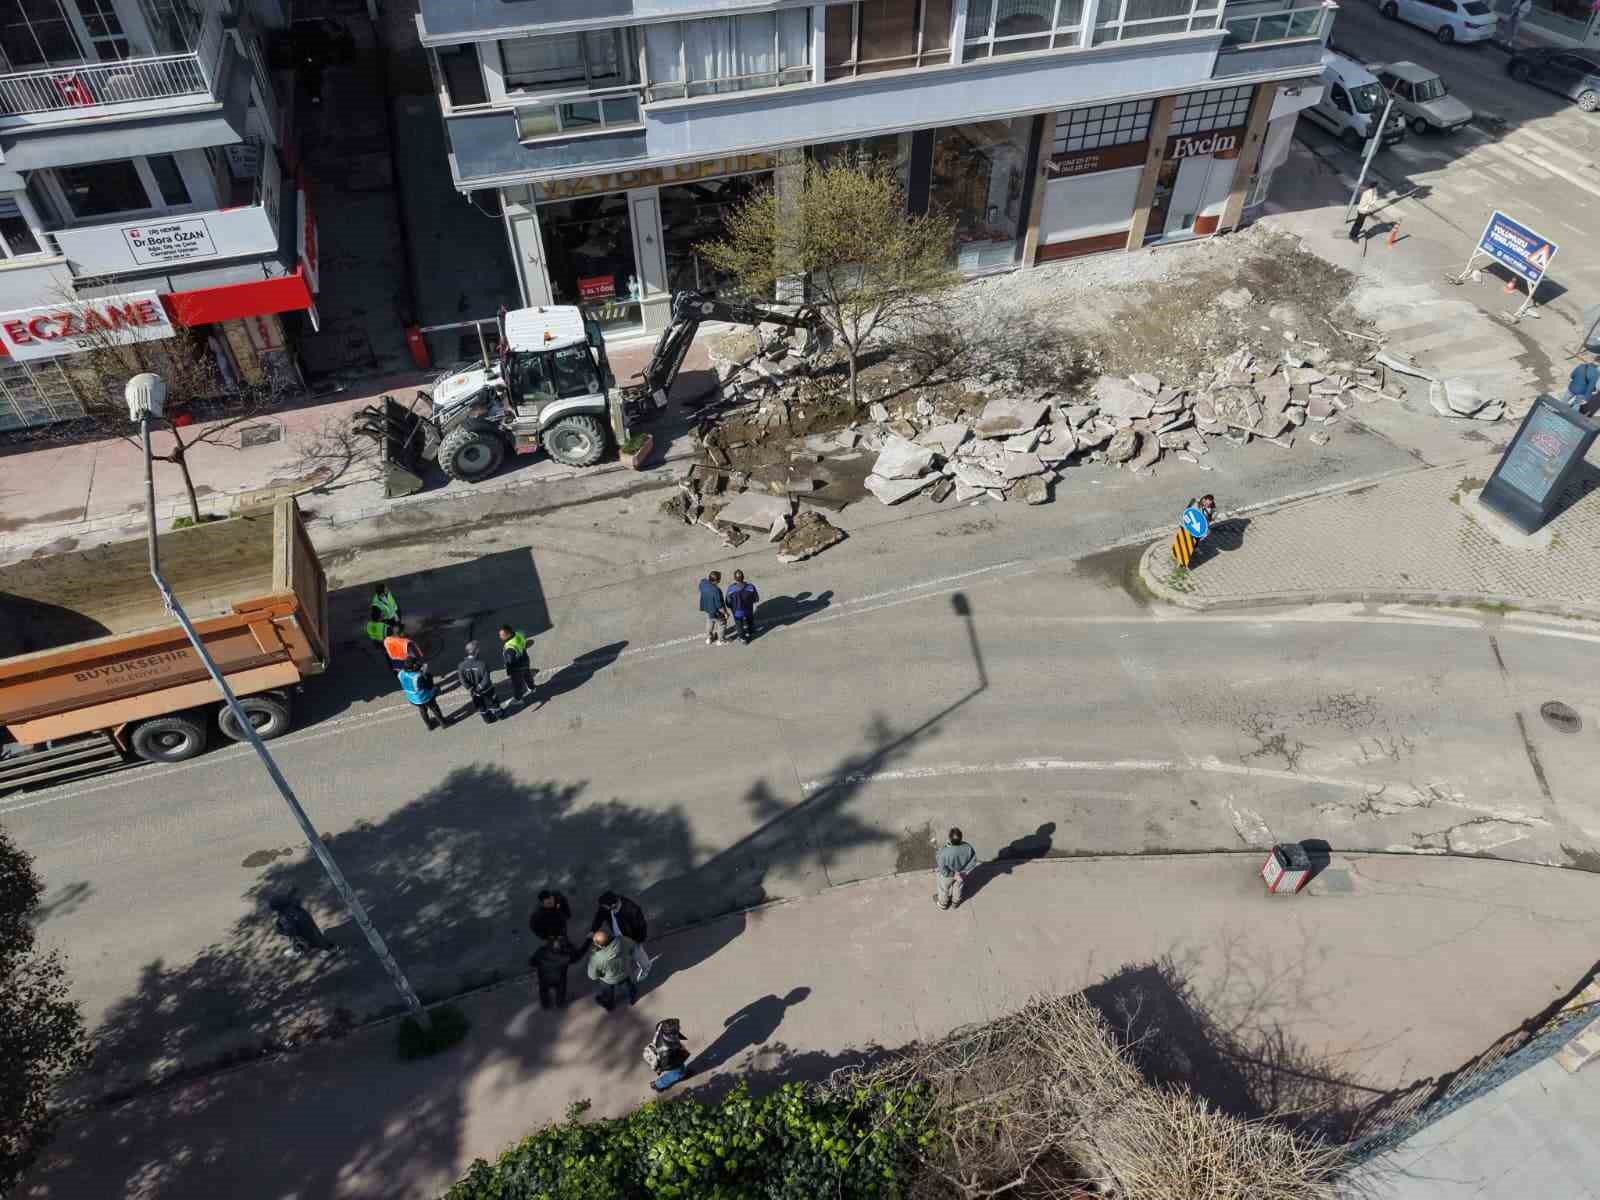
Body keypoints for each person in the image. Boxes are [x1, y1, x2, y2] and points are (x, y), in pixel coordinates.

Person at [592, 890, 654, 980]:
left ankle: (646, 967)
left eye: (604, 906)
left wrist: (639, 940)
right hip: (620, 937)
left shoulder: (631, 909)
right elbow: (599, 916)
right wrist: (593, 930)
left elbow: (641, 925)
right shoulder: (607, 907)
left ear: (612, 905)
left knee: (638, 954)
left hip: (632, 938)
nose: (603, 908)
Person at [530, 932, 585, 1009]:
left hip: (544, 979)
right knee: (560, 989)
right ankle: (559, 1002)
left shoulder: (541, 952)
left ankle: (545, 1003)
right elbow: (577, 957)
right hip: (558, 981)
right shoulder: (564, 956)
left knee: (544, 989)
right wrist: (587, 943)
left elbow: (532, 962)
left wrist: (538, 963)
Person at [587, 928, 638, 1010]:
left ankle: (609, 1005)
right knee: (627, 986)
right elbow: (632, 945)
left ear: (600, 945)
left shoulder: (597, 958)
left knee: (607, 992)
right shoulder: (622, 940)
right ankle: (632, 999)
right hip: (625, 972)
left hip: (608, 979)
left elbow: (592, 975)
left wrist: (600, 975)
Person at [270, 895, 337, 957]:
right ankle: (298, 948)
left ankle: (331, 948)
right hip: (305, 920)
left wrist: (281, 931)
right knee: (314, 936)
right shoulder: (291, 904)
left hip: (302, 928)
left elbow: (291, 931)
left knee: (315, 939)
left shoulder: (285, 916)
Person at [934, 827, 980, 910]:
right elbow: (973, 861)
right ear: (961, 838)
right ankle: (955, 903)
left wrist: (952, 873)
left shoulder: (945, 852)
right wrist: (963, 871)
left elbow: (941, 866)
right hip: (961, 873)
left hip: (948, 875)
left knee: (943, 888)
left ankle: (943, 903)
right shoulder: (968, 847)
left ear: (950, 839)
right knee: (958, 887)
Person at [457, 641, 502, 724]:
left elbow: (462, 680)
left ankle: (487, 720)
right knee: (493, 702)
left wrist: (471, 688)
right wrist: (479, 687)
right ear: (476, 651)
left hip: (474, 692)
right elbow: (486, 679)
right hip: (486, 689)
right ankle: (499, 715)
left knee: (481, 706)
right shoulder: (482, 664)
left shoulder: (461, 666)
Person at [397, 655, 444, 731]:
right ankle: (443, 723)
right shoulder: (417, 677)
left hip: (412, 698)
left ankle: (429, 725)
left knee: (422, 710)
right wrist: (426, 674)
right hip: (424, 697)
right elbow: (429, 685)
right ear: (413, 666)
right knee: (434, 708)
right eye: (416, 663)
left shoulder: (400, 674)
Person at [645, 1018, 693, 1092]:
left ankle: (683, 1073)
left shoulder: (662, 1026)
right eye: (677, 1029)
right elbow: (667, 1065)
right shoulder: (666, 1051)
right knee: (676, 1073)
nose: (679, 1028)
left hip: (672, 1056)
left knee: (680, 1068)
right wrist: (680, 1059)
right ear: (670, 1034)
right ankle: (658, 1085)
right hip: (672, 1062)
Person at [499, 624, 536, 704]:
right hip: (525, 659)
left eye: (502, 635)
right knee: (527, 675)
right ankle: (532, 688)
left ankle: (518, 699)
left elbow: (510, 661)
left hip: (517, 668)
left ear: (508, 634)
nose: (500, 637)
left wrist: (508, 669)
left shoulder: (510, 647)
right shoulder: (519, 633)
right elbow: (524, 643)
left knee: (517, 684)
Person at [725, 570, 760, 644]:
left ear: (734, 578)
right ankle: (751, 631)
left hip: (737, 611)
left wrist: (731, 607)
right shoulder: (750, 587)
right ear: (743, 577)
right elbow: (756, 599)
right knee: (750, 620)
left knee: (739, 625)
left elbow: (728, 602)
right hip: (748, 609)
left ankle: (742, 638)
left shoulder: (731, 589)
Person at [699, 570, 727, 646]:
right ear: (716, 581)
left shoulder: (703, 583)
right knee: (722, 624)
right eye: (719, 579)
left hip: (707, 609)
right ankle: (720, 640)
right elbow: (719, 606)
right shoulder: (716, 591)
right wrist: (725, 613)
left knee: (709, 622)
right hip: (716, 612)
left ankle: (709, 638)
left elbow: (702, 583)